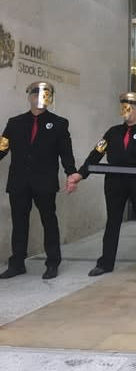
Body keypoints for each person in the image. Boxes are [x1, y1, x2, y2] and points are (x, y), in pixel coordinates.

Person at [66, 92, 136, 278]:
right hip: (115, 182)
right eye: (124, 107)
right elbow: (96, 154)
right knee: (113, 222)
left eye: (131, 108)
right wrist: (80, 174)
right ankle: (105, 263)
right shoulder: (112, 132)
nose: (127, 111)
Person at [0, 82, 76, 280]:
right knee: (19, 222)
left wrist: (72, 174)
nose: (40, 98)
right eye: (36, 94)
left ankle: (52, 263)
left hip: (45, 181)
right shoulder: (14, 123)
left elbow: (66, 153)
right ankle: (17, 264)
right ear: (29, 97)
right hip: (19, 182)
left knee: (49, 221)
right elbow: (2, 147)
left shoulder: (59, 123)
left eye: (45, 94)